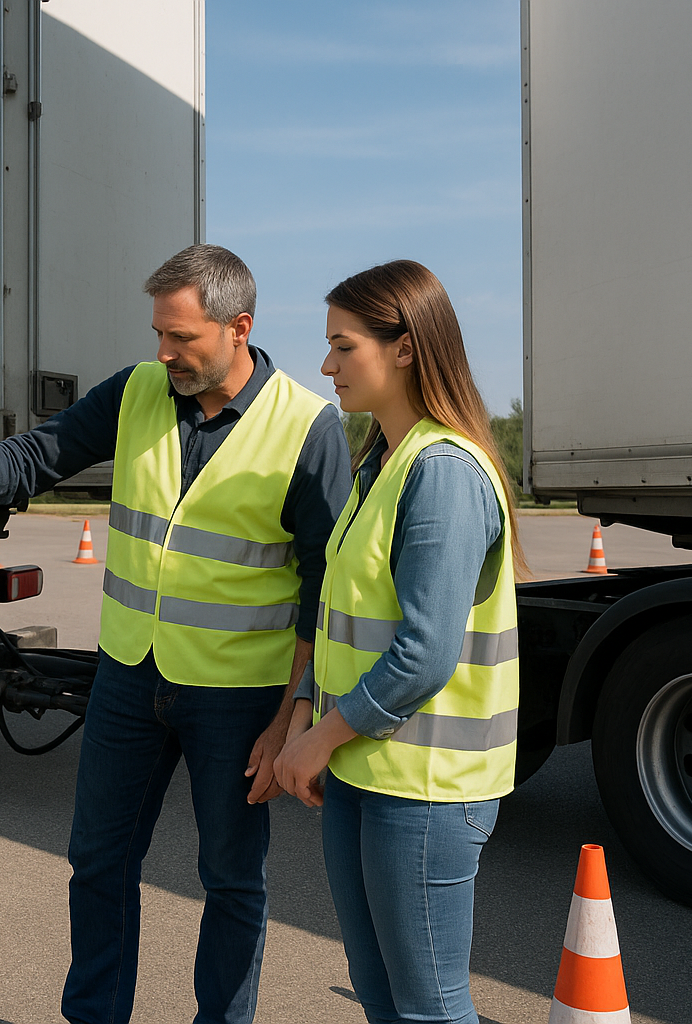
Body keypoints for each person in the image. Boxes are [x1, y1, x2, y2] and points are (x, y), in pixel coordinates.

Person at [0, 243, 351, 1024]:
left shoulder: (307, 426)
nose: (164, 352)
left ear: (240, 328)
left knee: (232, 880)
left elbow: (323, 593)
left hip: (238, 697)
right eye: (159, 335)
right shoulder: (136, 392)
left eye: (182, 339)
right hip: (131, 677)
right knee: (98, 862)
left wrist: (290, 715)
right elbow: (30, 457)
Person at [273, 260, 523, 1024]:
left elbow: (423, 652)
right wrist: (306, 715)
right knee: (381, 992)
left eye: (344, 347)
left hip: (424, 789)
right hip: (365, 768)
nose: (326, 366)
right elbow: (339, 616)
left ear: (406, 347)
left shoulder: (442, 471)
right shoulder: (379, 462)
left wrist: (317, 741)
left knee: (430, 1007)